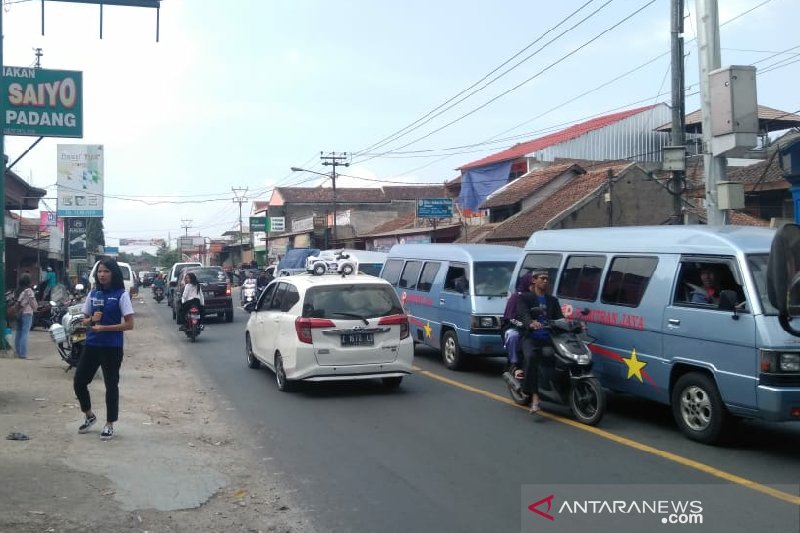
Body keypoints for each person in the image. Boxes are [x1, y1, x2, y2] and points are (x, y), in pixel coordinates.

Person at [74, 258, 135, 440]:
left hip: (112, 347)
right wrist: (92, 319)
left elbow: (130, 324)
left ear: (113, 274)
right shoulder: (93, 294)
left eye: (106, 271)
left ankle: (109, 424)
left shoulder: (121, 295)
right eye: (100, 271)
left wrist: (105, 328)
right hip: (92, 344)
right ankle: (89, 415)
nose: (102, 274)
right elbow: (83, 320)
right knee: (79, 381)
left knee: (111, 385)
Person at [516, 269, 564, 414]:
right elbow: (523, 314)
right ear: (534, 280)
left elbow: (559, 318)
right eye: (542, 278)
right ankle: (535, 399)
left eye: (547, 279)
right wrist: (530, 322)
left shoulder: (552, 300)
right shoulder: (525, 298)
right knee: (532, 358)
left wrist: (574, 324)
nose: (545, 281)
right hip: (531, 338)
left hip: (550, 338)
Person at [502, 271, 532, 379]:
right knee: (513, 336)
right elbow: (509, 318)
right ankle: (515, 364)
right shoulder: (516, 297)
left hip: (533, 328)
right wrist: (523, 324)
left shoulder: (539, 297)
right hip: (515, 327)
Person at [14, 274, 38, 359]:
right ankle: (23, 354)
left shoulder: (17, 290)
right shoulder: (29, 291)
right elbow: (33, 303)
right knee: (25, 333)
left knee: (18, 333)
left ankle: (17, 352)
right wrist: (35, 308)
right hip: (27, 313)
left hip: (18, 313)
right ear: (28, 281)